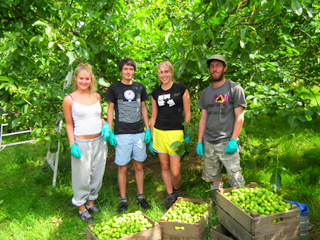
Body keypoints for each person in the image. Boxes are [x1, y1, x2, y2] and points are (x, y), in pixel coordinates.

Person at [62, 63, 111, 222]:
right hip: (81, 143)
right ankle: (81, 207)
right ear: (76, 79)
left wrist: (105, 125)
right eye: (81, 78)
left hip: (100, 142)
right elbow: (69, 124)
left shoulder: (96, 96)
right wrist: (71, 143)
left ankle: (91, 203)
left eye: (87, 79)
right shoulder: (69, 100)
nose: (84, 81)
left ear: (91, 80)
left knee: (97, 173)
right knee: (81, 176)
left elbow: (99, 117)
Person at [105, 58, 152, 214]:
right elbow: (110, 109)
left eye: (131, 69)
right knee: (123, 167)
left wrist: (147, 128)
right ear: (121, 71)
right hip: (121, 133)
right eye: (125, 69)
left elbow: (144, 109)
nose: (128, 72)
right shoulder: (114, 88)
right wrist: (109, 129)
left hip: (138, 132)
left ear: (134, 71)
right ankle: (123, 200)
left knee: (139, 166)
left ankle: (140, 198)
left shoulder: (139, 87)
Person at [196, 54, 246, 200]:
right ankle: (218, 205)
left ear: (225, 68)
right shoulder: (205, 93)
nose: (214, 69)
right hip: (209, 141)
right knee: (213, 176)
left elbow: (240, 116)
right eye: (212, 66)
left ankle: (241, 207)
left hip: (226, 141)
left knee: (235, 177)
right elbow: (203, 118)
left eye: (218, 65)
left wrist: (234, 140)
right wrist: (199, 141)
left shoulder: (234, 89)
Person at [149, 61, 191, 210]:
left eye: (166, 71)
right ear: (158, 74)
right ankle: (169, 195)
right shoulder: (155, 93)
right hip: (160, 132)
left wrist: (187, 132)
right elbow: (153, 116)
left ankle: (177, 191)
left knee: (175, 171)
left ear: (172, 72)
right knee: (165, 166)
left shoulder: (181, 90)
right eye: (161, 72)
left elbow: (187, 113)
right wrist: (151, 134)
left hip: (176, 133)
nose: (164, 75)